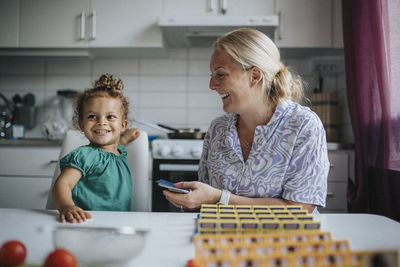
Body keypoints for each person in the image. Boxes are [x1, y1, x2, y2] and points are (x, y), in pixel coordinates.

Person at [164, 28, 329, 214]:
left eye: (220, 74)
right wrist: (192, 198)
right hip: (221, 238)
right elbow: (207, 196)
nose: (212, 85)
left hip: (284, 240)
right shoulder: (218, 129)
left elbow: (301, 208)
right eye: (211, 75)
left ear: (254, 76)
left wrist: (220, 198)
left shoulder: (303, 126)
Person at [52, 73, 140, 223]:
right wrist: (66, 206)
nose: (101, 122)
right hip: (88, 222)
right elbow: (63, 184)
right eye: (92, 116)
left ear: (123, 125)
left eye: (110, 117)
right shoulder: (84, 155)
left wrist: (125, 138)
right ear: (81, 124)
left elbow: (116, 146)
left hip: (118, 223)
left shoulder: (119, 151)